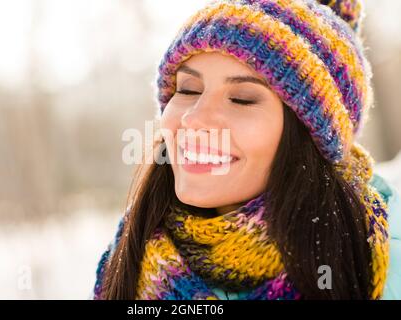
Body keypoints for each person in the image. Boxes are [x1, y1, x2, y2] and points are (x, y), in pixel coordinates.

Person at [93, 0, 401, 300]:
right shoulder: (130, 259)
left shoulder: (384, 263)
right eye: (188, 90)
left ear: (309, 138)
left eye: (241, 98)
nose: (194, 118)